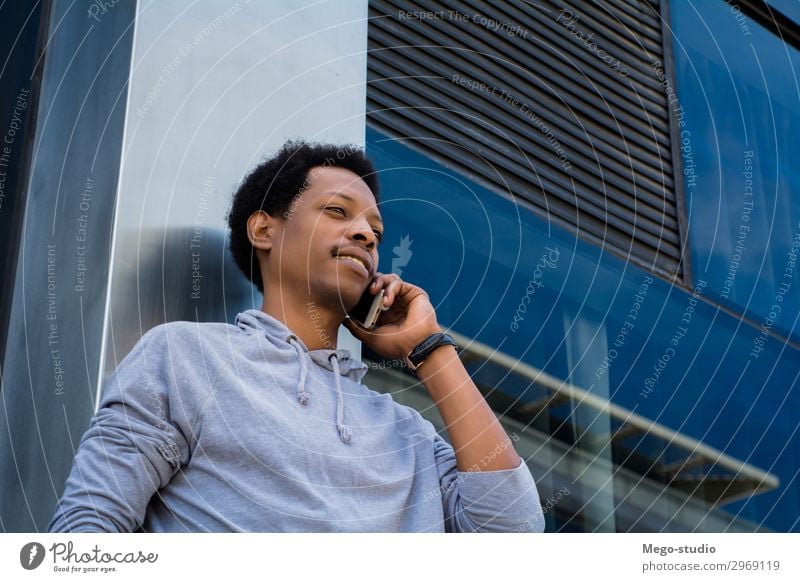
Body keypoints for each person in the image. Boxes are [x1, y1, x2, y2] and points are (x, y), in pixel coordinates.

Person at [48, 140, 545, 533]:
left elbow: (513, 532)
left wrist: (430, 350)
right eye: (337, 211)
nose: (366, 235)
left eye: (376, 229)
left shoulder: (407, 433)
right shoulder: (184, 357)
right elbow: (87, 532)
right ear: (264, 229)